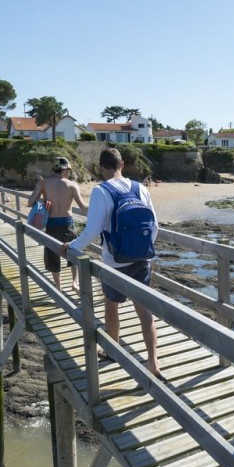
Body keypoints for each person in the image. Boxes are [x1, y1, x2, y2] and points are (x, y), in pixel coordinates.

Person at [60, 148, 164, 380]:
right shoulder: (141, 188)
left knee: (111, 305)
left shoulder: (101, 191)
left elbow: (93, 230)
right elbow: (154, 227)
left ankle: (111, 348)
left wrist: (73, 248)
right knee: (144, 309)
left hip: (115, 262)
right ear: (122, 164)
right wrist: (141, 248)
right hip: (143, 259)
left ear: (101, 167)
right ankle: (153, 360)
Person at [28, 157, 88, 293]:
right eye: (69, 170)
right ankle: (75, 283)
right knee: (74, 251)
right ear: (65, 170)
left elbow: (31, 201)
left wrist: (43, 199)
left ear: (54, 169)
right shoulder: (72, 185)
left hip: (51, 224)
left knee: (52, 255)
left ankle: (58, 288)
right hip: (68, 223)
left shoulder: (43, 183)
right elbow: (83, 206)